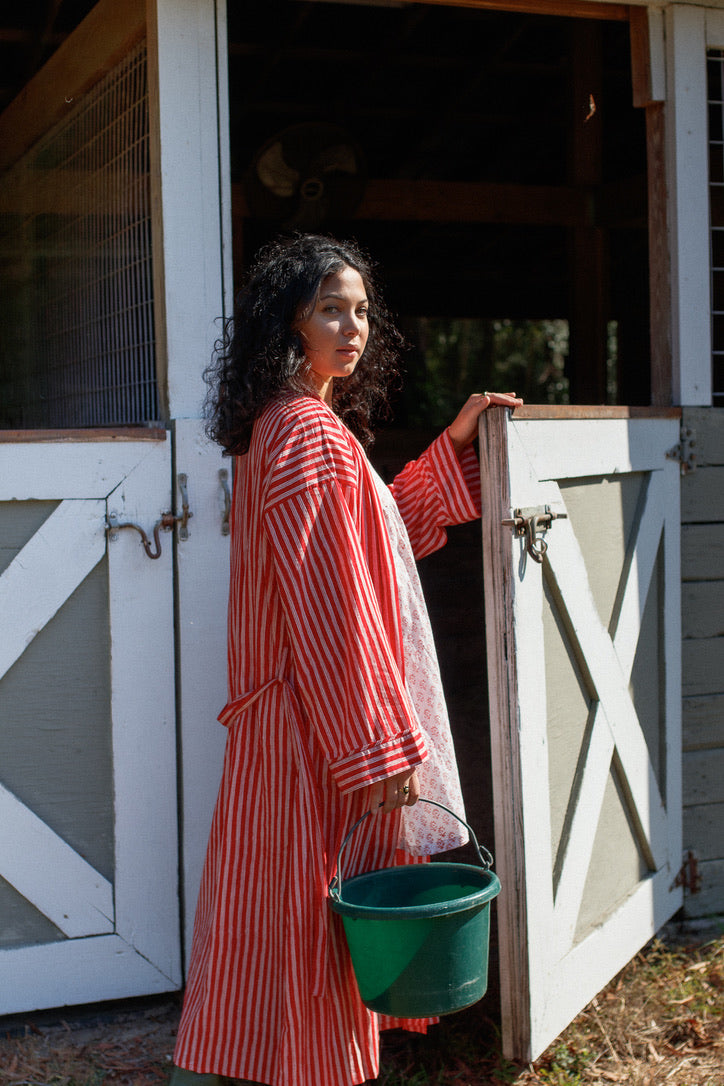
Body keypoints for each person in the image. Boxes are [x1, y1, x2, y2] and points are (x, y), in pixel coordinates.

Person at [171, 234, 522, 1086]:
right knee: (306, 933)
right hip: (314, 741)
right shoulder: (304, 432)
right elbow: (332, 605)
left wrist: (454, 445)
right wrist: (381, 746)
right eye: (331, 306)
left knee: (270, 930)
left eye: (362, 310)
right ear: (288, 320)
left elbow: (374, 541)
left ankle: (227, 1069)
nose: (352, 325)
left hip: (297, 729)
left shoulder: (295, 427)